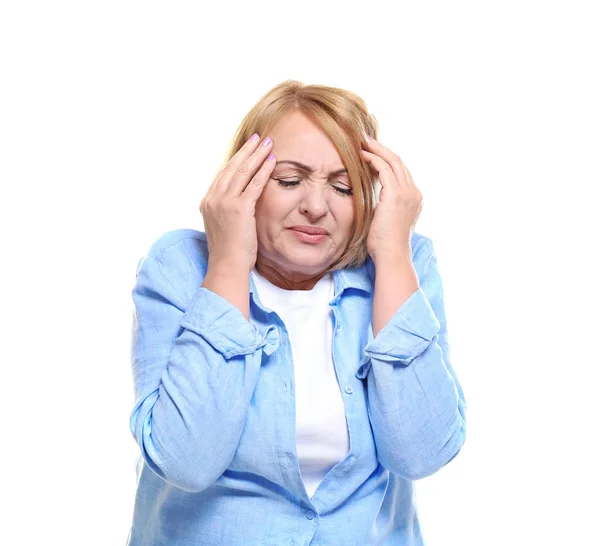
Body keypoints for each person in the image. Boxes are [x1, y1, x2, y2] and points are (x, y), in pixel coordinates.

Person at [126, 80, 466, 545]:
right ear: (243, 182)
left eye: (343, 187)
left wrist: (392, 256)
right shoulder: (180, 267)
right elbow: (186, 460)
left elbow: (422, 453)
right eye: (289, 181)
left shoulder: (405, 263)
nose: (314, 206)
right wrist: (228, 264)